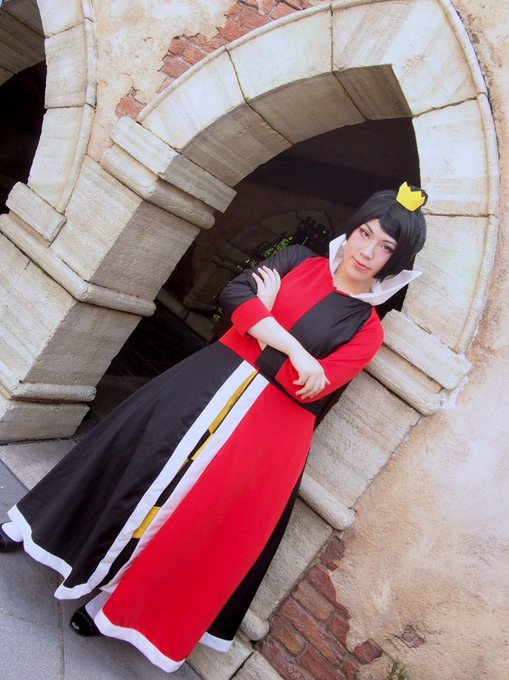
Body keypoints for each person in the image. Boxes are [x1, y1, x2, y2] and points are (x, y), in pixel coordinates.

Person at [0, 182, 427, 673]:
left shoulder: (367, 331)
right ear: (353, 230)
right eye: (365, 234)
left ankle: (113, 608)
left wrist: (263, 321)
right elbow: (234, 295)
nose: (367, 251)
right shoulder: (297, 259)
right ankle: (34, 531)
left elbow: (307, 386)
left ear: (396, 260)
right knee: (130, 456)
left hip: (268, 435)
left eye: (385, 247)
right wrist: (297, 348)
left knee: (191, 520)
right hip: (204, 383)